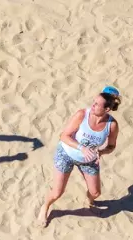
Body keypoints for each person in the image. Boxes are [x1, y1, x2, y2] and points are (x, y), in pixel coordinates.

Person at [37, 87, 121, 227]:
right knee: (57, 192)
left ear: (107, 109)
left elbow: (111, 146)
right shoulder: (82, 115)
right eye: (93, 102)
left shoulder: (112, 125)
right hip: (66, 155)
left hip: (88, 160)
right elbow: (64, 136)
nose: (92, 105)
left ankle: (89, 201)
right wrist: (82, 148)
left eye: (96, 104)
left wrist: (101, 152)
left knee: (95, 192)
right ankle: (45, 207)